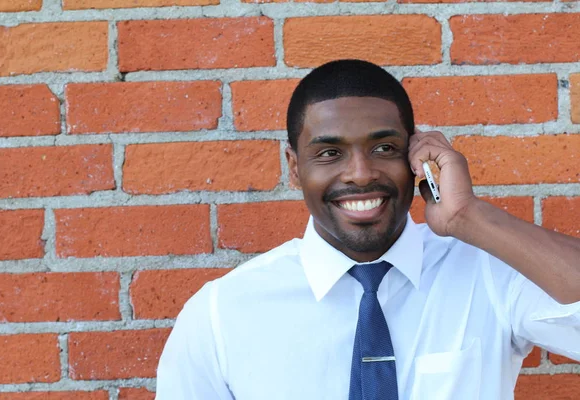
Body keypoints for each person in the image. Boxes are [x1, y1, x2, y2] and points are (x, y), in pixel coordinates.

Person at [155, 59, 580, 399]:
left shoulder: (490, 272)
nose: (360, 174)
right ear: (293, 166)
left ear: (414, 156)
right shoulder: (221, 314)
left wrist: (470, 217)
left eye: (384, 148)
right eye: (330, 152)